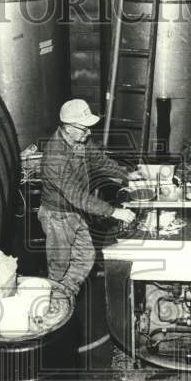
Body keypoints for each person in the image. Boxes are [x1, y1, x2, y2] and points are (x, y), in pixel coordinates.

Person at [39, 99, 140, 308]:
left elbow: (100, 161)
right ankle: (51, 306)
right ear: (69, 128)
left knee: (85, 256)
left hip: (75, 212)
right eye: (85, 129)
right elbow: (77, 196)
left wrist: (127, 175)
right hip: (58, 216)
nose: (89, 133)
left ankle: (65, 296)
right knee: (59, 265)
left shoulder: (80, 141)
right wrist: (113, 212)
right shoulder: (55, 156)